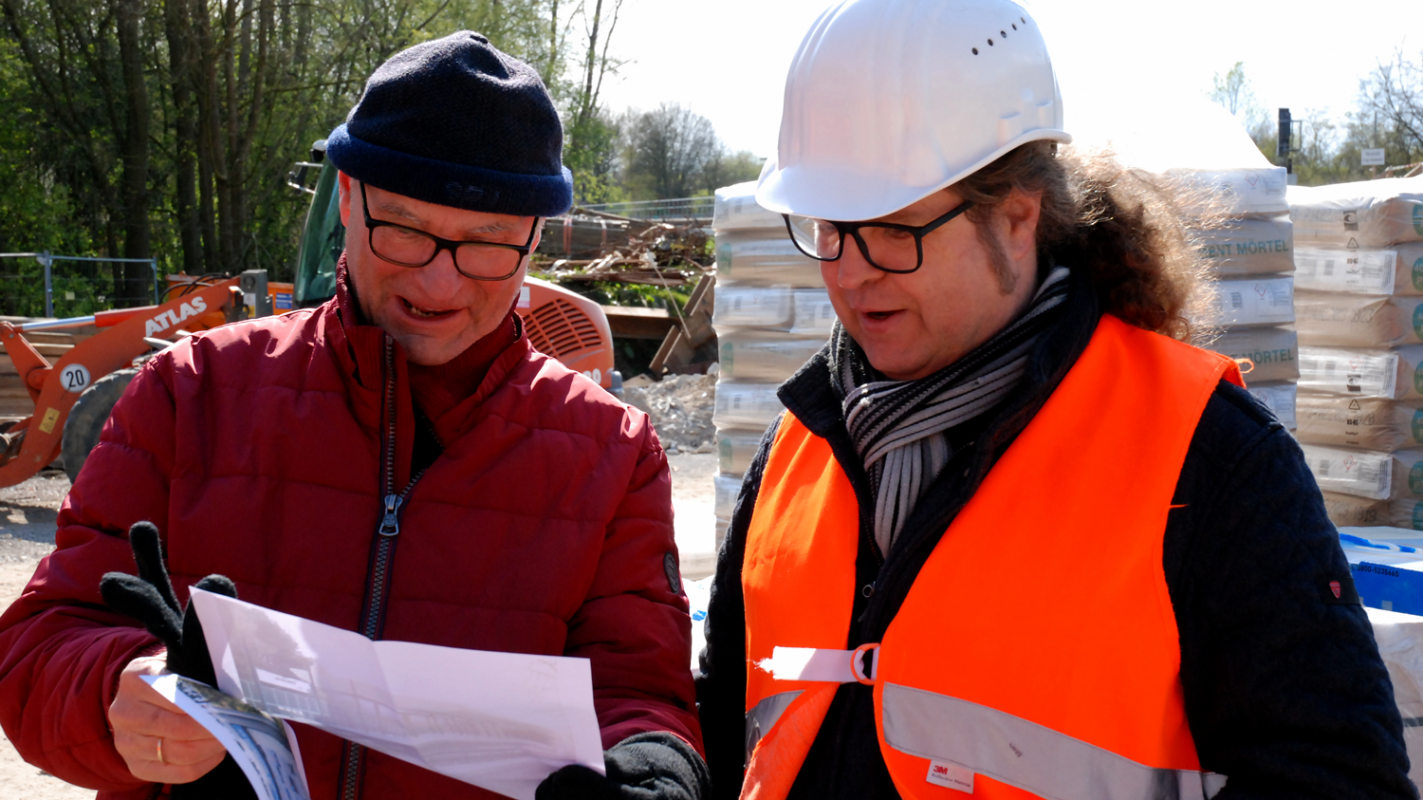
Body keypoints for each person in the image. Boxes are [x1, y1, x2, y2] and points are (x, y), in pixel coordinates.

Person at [694, 1, 1415, 799]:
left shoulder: (1205, 458)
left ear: (1016, 219)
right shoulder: (800, 444)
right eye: (829, 226)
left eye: (893, 230)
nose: (848, 271)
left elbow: (1337, 780)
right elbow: (725, 723)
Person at [0, 32, 709, 800]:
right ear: (346, 198)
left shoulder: (612, 452)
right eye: (403, 229)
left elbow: (639, 691)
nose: (439, 283)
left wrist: (652, 770)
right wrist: (122, 691)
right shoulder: (190, 392)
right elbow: (41, 644)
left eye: (488, 244)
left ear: (534, 240)